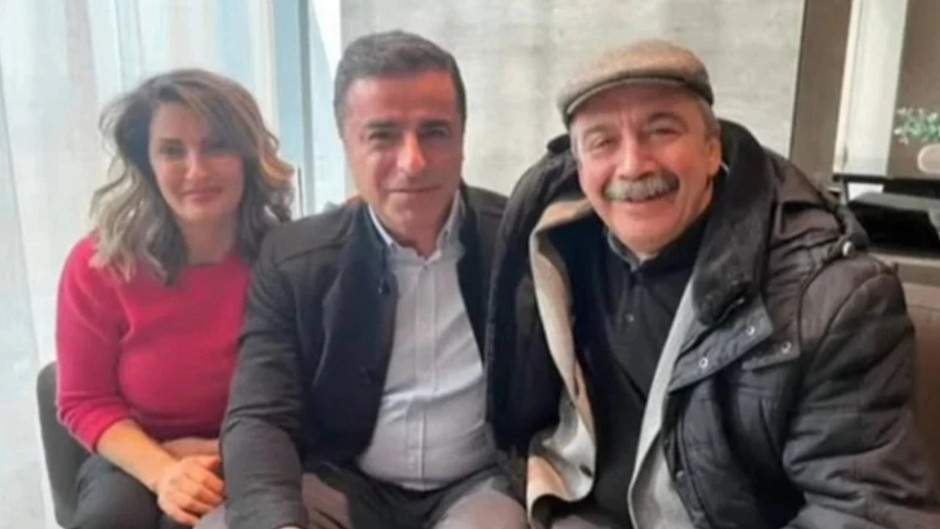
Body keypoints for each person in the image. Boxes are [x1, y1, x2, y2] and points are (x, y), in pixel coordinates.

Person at [485, 39, 940, 528]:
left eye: (661, 130)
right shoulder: (552, 246)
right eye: (602, 142)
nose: (633, 165)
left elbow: (865, 511)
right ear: (579, 168)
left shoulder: (833, 299)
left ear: (711, 149)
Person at [210, 31, 526, 529]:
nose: (412, 162)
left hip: (477, 487)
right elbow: (260, 416)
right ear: (346, 144)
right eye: (382, 136)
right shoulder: (294, 259)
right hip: (341, 481)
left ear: (463, 138)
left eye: (435, 132)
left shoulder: (522, 241)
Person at [55, 69, 293, 529]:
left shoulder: (287, 260)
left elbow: (315, 394)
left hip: (260, 450)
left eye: (217, 147)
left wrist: (224, 451)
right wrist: (165, 471)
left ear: (248, 157)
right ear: (147, 163)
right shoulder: (100, 264)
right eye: (172, 151)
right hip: (135, 456)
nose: (196, 170)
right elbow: (84, 399)